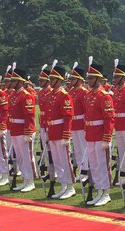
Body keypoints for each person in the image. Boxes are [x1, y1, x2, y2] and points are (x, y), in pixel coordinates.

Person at [84, 62, 114, 206]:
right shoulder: (89, 95)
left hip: (100, 134)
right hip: (90, 134)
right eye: (88, 78)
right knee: (94, 165)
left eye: (91, 78)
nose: (88, 80)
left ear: (98, 79)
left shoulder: (104, 96)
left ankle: (105, 192)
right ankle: (98, 190)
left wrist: (106, 137)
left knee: (102, 164)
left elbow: (108, 118)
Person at [47, 64, 76, 199]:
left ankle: (70, 186)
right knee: (58, 161)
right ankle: (63, 185)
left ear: (59, 80)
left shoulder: (64, 95)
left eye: (53, 79)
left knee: (65, 160)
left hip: (60, 132)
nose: (51, 81)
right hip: (52, 131)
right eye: (50, 79)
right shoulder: (51, 95)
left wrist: (66, 135)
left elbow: (68, 116)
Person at [8, 68, 37, 192]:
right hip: (15, 130)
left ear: (20, 82)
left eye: (14, 81)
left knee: (27, 156)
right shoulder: (13, 95)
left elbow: (29, 116)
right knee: (20, 157)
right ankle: (25, 179)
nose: (11, 83)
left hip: (23, 130)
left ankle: (30, 181)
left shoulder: (26, 95)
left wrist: (28, 132)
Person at [67, 62, 89, 184]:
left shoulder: (83, 92)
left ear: (79, 79)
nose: (71, 81)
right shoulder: (71, 92)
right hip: (74, 124)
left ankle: (86, 170)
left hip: (81, 123)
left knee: (84, 148)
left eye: (73, 79)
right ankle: (81, 170)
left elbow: (86, 111)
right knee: (78, 150)